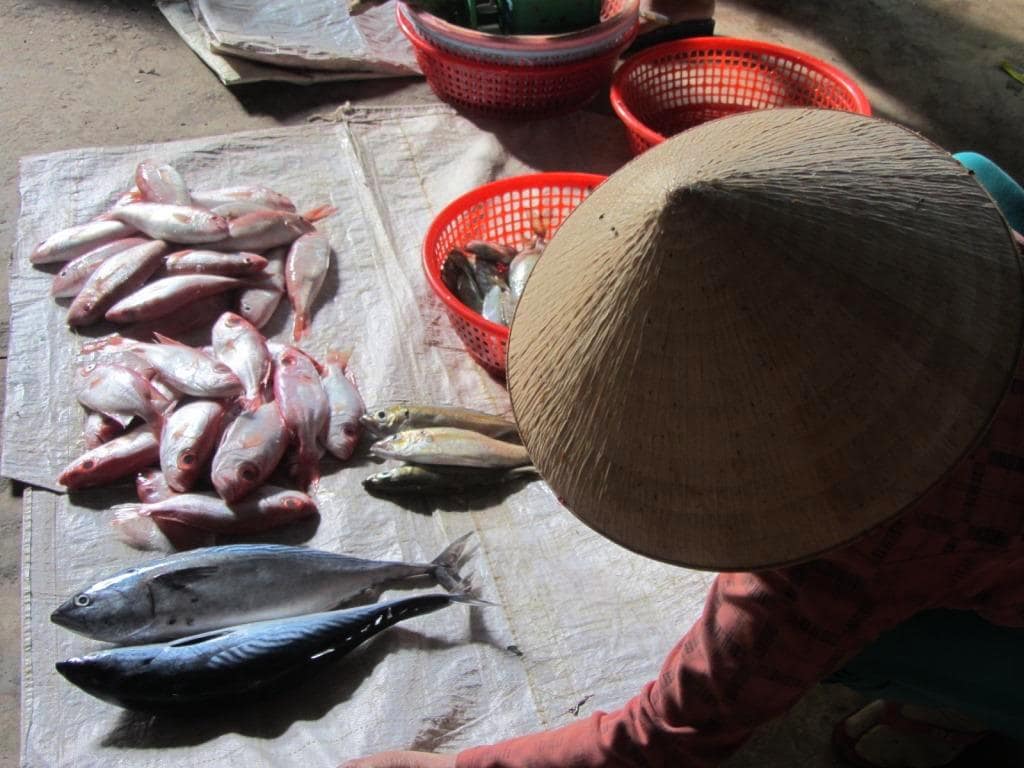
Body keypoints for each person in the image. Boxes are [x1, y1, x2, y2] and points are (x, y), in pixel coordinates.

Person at [342, 114, 1024, 768]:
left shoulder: (829, 564)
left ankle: (972, 705)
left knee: (847, 649)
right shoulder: (987, 251)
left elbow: (664, 740)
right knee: (974, 174)